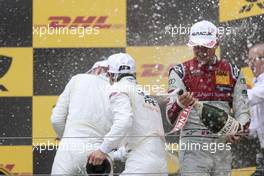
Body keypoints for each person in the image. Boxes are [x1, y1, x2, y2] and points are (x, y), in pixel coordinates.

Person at [166, 20, 251, 176]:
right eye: (197, 46)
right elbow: (171, 118)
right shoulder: (180, 72)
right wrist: (179, 104)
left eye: (206, 46)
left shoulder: (233, 71)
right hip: (193, 147)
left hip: (221, 145)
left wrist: (239, 130)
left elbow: (243, 111)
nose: (201, 51)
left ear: (216, 43)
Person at [89, 53, 168, 175]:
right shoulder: (146, 94)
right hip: (160, 165)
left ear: (111, 75)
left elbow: (124, 122)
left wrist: (102, 150)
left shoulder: (118, 88)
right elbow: (142, 138)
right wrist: (113, 155)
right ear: (134, 73)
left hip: (141, 165)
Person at [50, 60, 112, 175]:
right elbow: (123, 127)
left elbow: (56, 120)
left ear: (97, 70)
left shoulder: (77, 79)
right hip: (99, 157)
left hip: (69, 151)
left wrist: (66, 137)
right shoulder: (120, 91)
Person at [247, 43, 264, 176]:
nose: (250, 64)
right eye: (249, 60)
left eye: (255, 59)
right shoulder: (257, 84)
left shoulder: (258, 89)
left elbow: (249, 97)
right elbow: (254, 128)